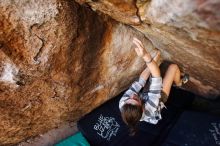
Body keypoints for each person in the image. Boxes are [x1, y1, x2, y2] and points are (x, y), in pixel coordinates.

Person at [119, 37, 189, 136]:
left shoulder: (123, 103)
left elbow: (140, 81)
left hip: (145, 96)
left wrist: (154, 60)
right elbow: (156, 77)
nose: (133, 95)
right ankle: (179, 83)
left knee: (153, 70)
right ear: (142, 107)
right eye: (135, 99)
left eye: (129, 98)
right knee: (173, 68)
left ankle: (168, 77)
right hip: (159, 99)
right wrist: (146, 56)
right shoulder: (150, 108)